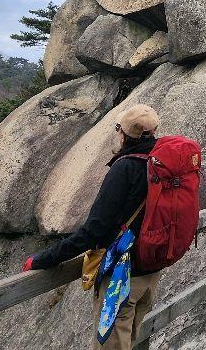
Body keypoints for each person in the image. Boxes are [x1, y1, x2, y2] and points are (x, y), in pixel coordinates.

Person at [23, 104, 162, 349]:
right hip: (150, 273)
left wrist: (43, 259)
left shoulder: (126, 167)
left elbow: (93, 230)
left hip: (122, 280)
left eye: (119, 128)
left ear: (124, 134)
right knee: (131, 342)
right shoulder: (161, 163)